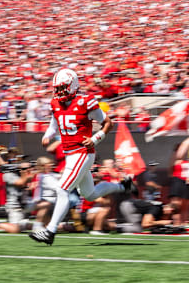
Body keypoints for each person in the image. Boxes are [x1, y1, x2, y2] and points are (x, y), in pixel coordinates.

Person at [30, 68, 135, 245]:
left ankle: (50, 231)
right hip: (70, 154)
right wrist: (46, 135)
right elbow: (53, 124)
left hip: (82, 153)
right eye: (58, 88)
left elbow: (108, 123)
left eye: (63, 88)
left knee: (62, 189)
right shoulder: (56, 103)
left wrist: (95, 138)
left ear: (73, 86)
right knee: (90, 195)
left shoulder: (85, 101)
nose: (59, 92)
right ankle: (123, 186)